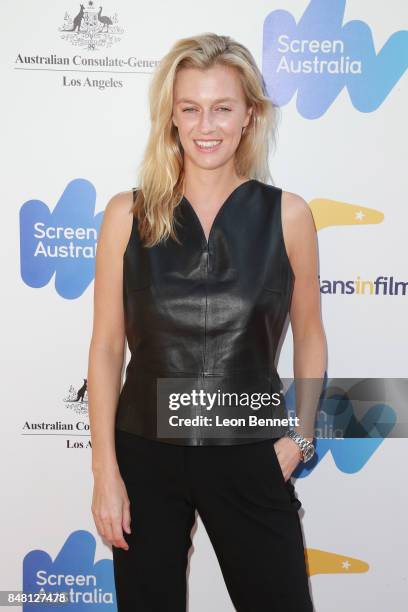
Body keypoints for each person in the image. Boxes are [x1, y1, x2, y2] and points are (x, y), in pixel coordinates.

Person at [87, 32, 327, 612]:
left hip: (250, 446)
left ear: (249, 115)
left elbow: (311, 334)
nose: (206, 125)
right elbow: (105, 349)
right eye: (190, 108)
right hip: (145, 451)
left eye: (223, 107)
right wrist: (105, 474)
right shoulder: (127, 213)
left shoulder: (288, 215)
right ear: (171, 116)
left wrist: (300, 436)